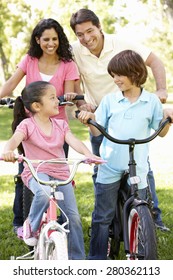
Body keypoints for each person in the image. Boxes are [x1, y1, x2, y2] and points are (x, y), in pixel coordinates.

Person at [70, 8, 169, 231]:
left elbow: (156, 62)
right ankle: (109, 221)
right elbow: (73, 79)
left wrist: (161, 90)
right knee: (102, 170)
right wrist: (81, 103)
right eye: (80, 34)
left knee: (141, 168)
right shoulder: (75, 50)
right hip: (103, 117)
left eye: (90, 31)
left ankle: (152, 219)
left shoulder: (122, 43)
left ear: (99, 27)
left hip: (131, 112)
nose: (86, 38)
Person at [77, 50, 173, 259]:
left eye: (120, 75)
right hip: (109, 165)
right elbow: (97, 129)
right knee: (102, 216)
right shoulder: (110, 100)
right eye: (114, 75)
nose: (116, 79)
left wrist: (167, 119)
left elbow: (162, 132)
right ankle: (97, 259)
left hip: (138, 166)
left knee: (142, 210)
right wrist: (90, 119)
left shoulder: (151, 101)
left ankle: (142, 251)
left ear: (136, 73)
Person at [0, 18, 84, 234]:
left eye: (54, 39)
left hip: (57, 128)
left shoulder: (68, 65)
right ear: (38, 40)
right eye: (46, 39)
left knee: (58, 177)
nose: (50, 43)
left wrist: (69, 98)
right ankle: (21, 222)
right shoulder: (29, 60)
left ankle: (58, 223)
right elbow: (11, 83)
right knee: (26, 175)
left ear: (60, 39)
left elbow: (65, 97)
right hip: (29, 128)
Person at [2, 81, 101, 259]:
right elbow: (14, 140)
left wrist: (88, 154)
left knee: (74, 219)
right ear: (37, 106)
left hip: (61, 174)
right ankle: (31, 227)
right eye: (52, 98)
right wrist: (8, 151)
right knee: (43, 192)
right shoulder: (27, 125)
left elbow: (74, 141)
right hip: (37, 171)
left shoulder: (60, 124)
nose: (58, 101)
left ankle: (77, 261)